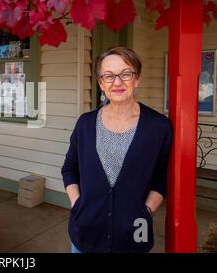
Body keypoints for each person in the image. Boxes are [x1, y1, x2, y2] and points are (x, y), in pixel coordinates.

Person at [61, 46, 173, 253]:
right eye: (109, 76)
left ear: (137, 79)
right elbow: (69, 168)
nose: (118, 82)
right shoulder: (85, 124)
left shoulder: (159, 127)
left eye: (126, 74)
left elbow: (163, 176)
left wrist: (147, 210)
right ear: (101, 84)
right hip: (84, 234)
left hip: (135, 237)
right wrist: (78, 204)